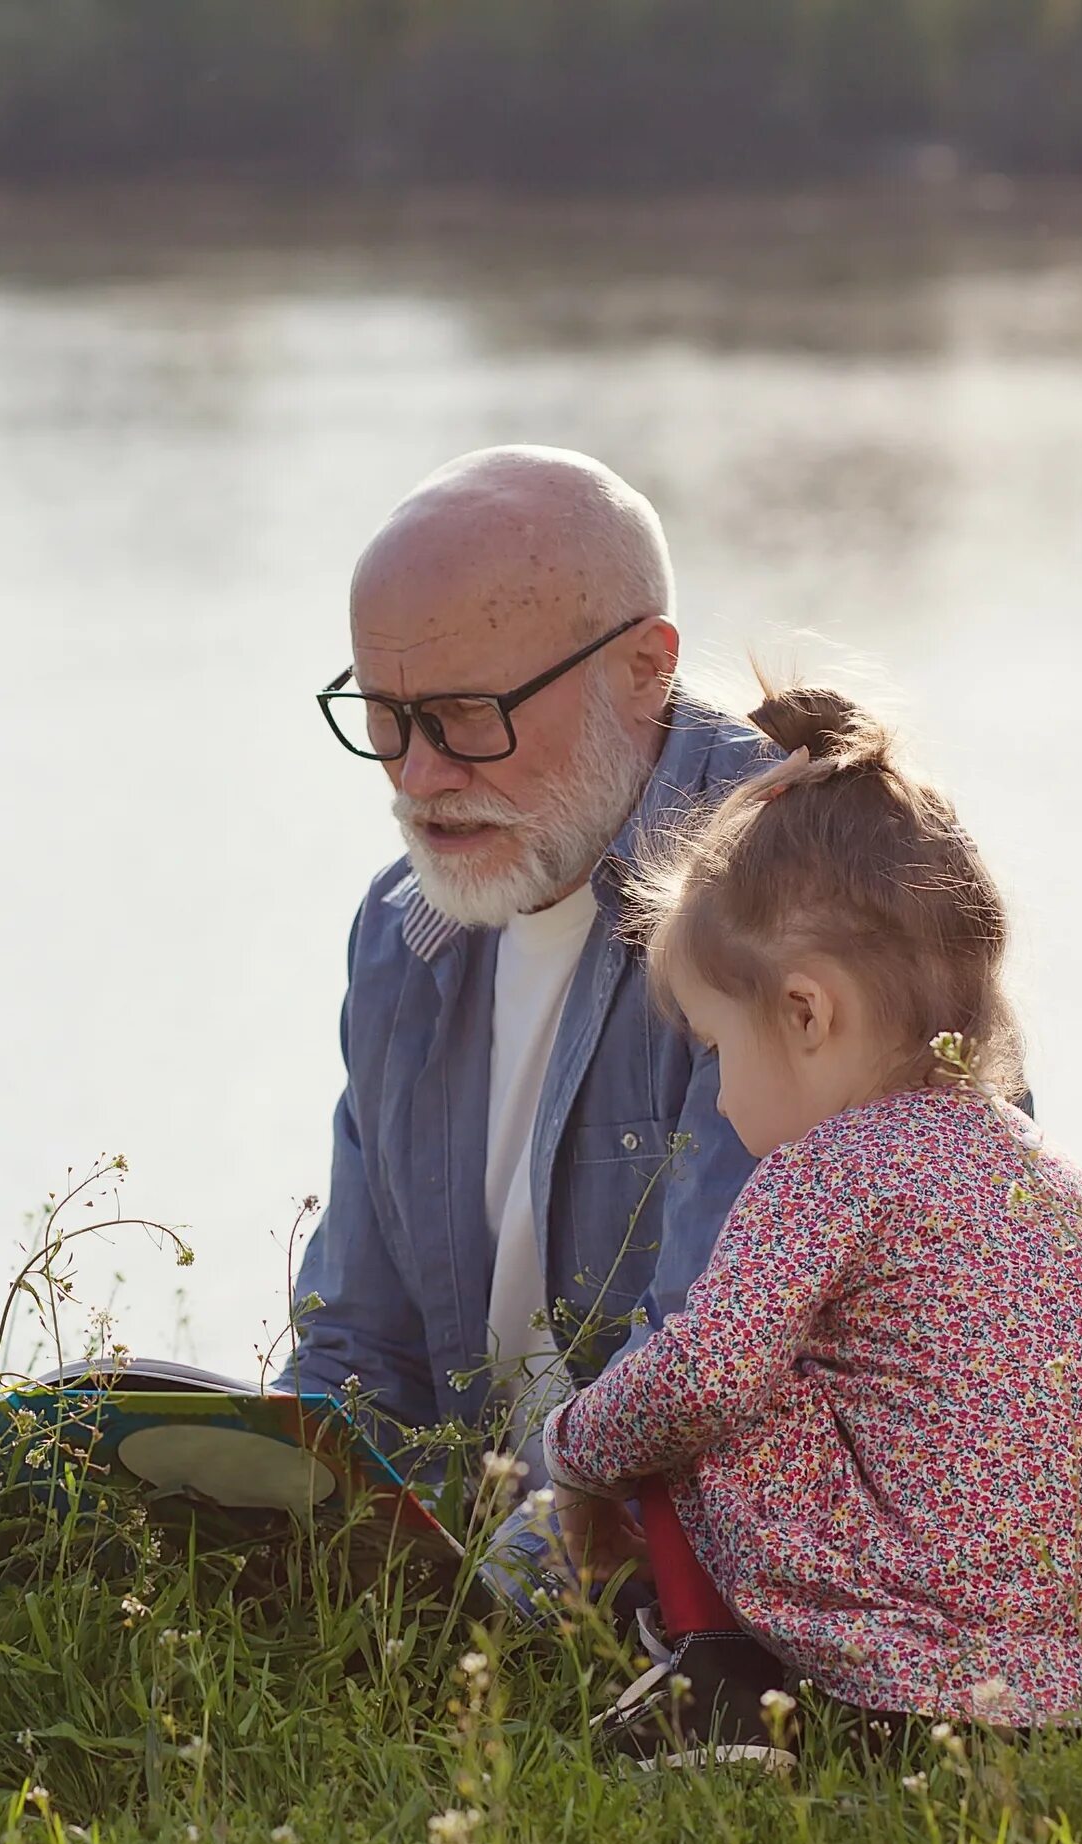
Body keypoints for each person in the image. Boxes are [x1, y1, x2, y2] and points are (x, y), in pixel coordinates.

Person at [530, 684, 1082, 1768]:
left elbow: (704, 1376)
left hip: (948, 1671)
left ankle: (724, 1682)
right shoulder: (1046, 1174)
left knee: (689, 1379)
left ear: (807, 1012)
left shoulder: (826, 1168)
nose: (713, 1097)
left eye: (715, 1048)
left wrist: (571, 1455)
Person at [278, 446, 770, 1538]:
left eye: (465, 714)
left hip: (708, 1608)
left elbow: (718, 1385)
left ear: (646, 664)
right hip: (502, 1579)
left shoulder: (801, 905)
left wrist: (500, 1594)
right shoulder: (405, 930)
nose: (418, 775)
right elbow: (359, 1355)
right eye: (385, 715)